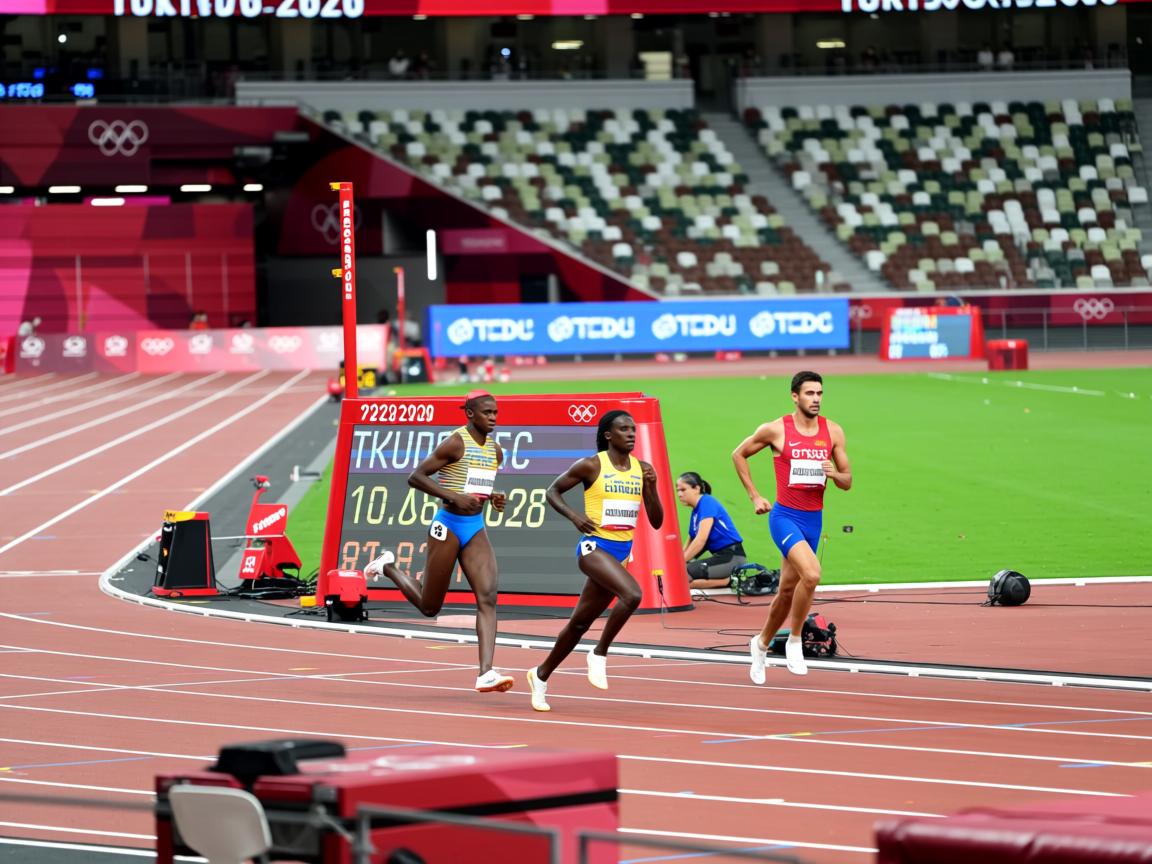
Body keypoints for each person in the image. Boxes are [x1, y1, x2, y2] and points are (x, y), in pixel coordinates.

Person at [365, 390, 514, 693]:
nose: (494, 418)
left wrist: (493, 498)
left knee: (488, 596)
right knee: (430, 607)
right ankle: (388, 567)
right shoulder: (455, 442)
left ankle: (485, 672)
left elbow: (478, 487)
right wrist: (452, 496)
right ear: (470, 414)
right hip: (447, 526)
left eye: (496, 413)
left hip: (474, 528)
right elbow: (416, 476)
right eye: (487, 412)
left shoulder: (496, 452)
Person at [525, 410, 663, 712]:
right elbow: (553, 491)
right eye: (623, 429)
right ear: (608, 435)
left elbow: (656, 521)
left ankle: (540, 675)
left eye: (633, 430)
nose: (631, 434)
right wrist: (575, 516)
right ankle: (599, 653)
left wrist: (650, 487)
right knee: (632, 594)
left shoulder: (643, 469)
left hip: (620, 553)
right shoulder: (591, 465)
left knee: (579, 624)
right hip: (593, 548)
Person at [731, 371, 852, 679]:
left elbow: (847, 482)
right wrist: (755, 496)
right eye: (810, 394)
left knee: (786, 590)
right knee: (811, 575)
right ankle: (795, 640)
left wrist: (834, 474)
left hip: (814, 519)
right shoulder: (776, 429)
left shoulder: (833, 432)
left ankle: (759, 644)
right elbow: (739, 454)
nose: (816, 399)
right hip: (785, 517)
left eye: (820, 394)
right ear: (795, 396)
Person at [675, 472, 746, 591]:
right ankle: (727, 580)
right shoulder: (695, 512)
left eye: (683, 490)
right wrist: (677, 561)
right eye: (678, 490)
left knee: (681, 575)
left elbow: (700, 541)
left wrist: (680, 563)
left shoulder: (707, 502)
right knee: (676, 575)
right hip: (720, 558)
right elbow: (689, 544)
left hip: (732, 557)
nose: (679, 494)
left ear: (696, 488)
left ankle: (728, 581)